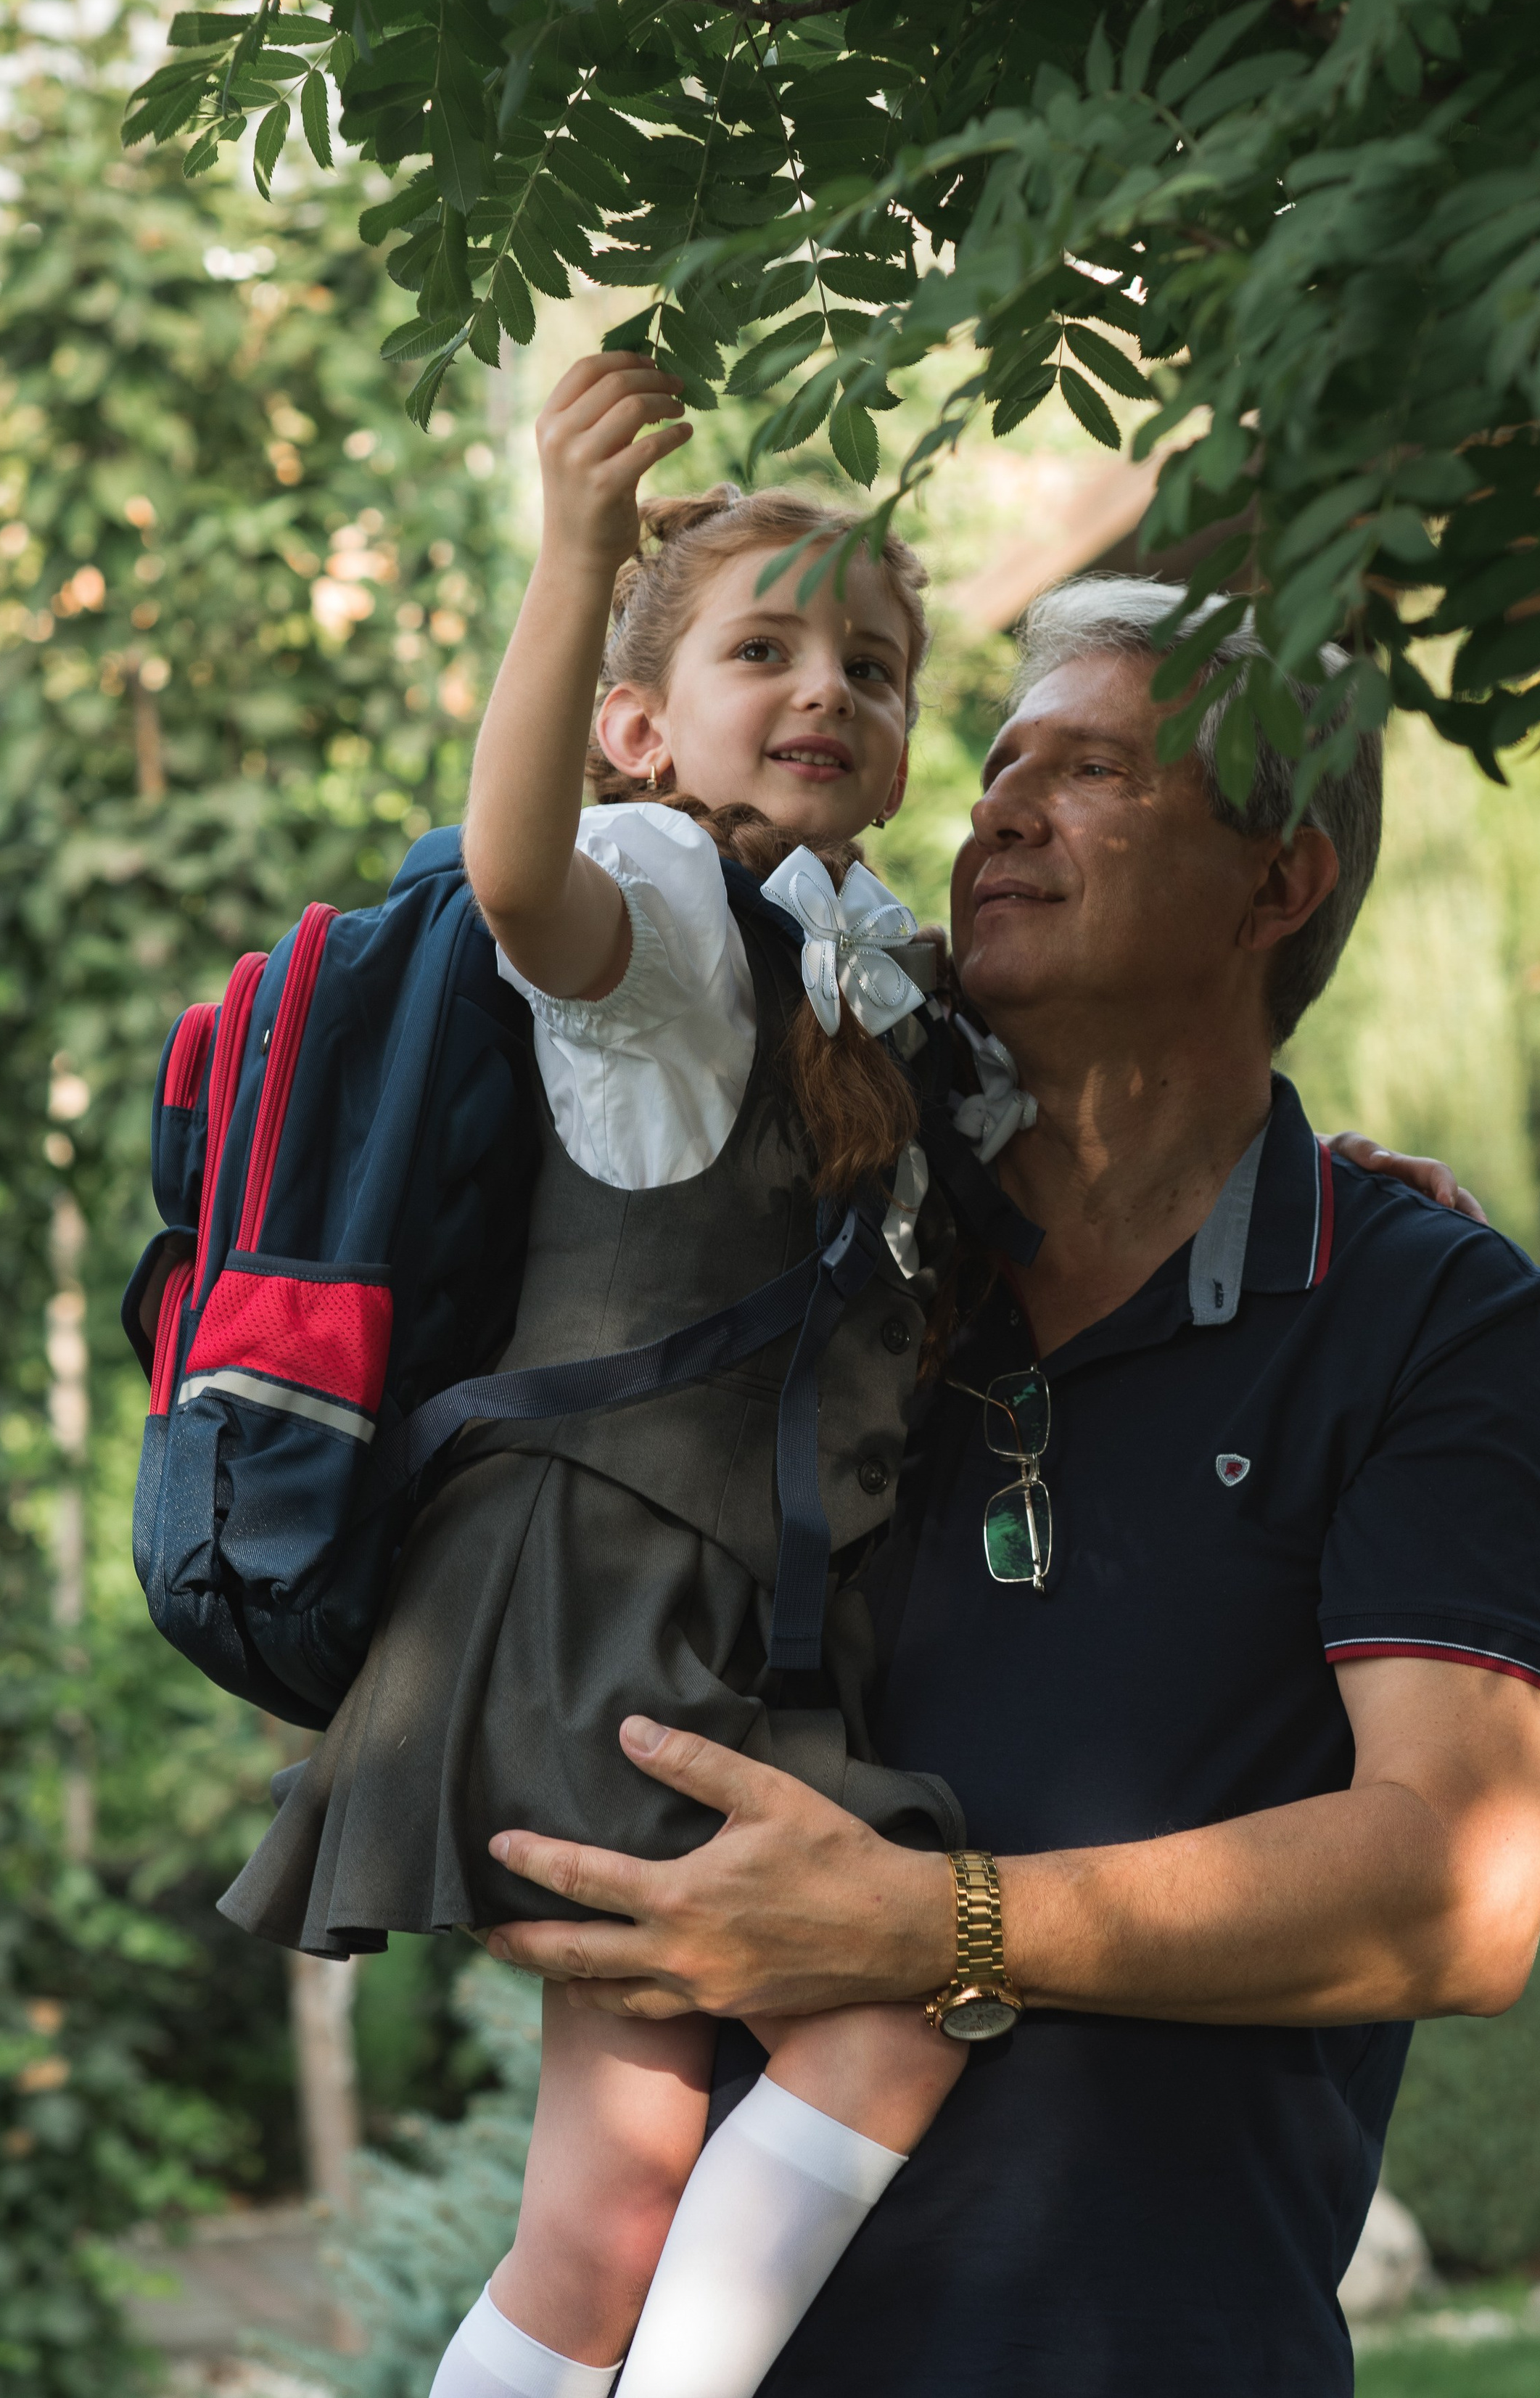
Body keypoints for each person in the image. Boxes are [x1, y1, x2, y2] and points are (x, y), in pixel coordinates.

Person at [480, 577, 1540, 2398]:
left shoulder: (1424, 1311)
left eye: (1094, 771)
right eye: (996, 765)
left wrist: (932, 1923)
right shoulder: (820, 1255)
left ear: (1276, 883)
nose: (998, 806)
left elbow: (1456, 1897)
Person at [221, 352, 979, 2398]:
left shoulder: (861, 948)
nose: (830, 685)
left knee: (619, 2190)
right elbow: (515, 876)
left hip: (683, 1615)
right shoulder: (653, 902)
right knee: (869, 2023)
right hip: (593, 1605)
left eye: (877, 662)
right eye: (767, 646)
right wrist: (570, 560)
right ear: (645, 727)